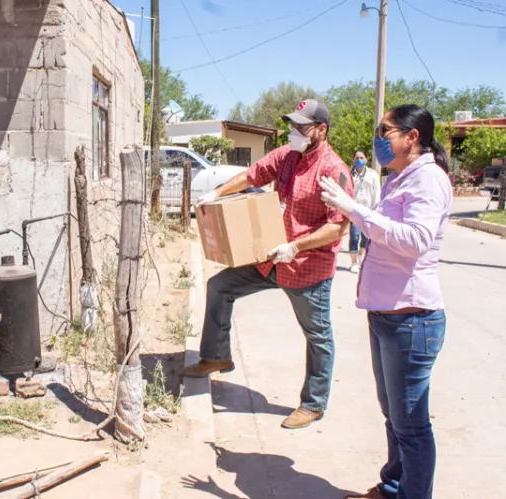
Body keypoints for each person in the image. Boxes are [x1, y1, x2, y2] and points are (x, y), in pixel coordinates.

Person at [182, 99, 354, 429]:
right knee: (220, 286)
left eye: (301, 127)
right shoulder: (288, 157)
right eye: (292, 125)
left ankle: (313, 403)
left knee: (317, 336)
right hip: (273, 258)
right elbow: (252, 174)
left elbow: (338, 226)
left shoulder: (334, 170)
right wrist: (216, 194)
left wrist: (296, 245)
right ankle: (216, 356)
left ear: (321, 130)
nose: (294, 132)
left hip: (307, 267)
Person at [319, 104, 452, 499]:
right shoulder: (399, 178)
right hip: (386, 317)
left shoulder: (428, 180)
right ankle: (393, 487)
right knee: (394, 419)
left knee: (411, 426)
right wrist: (350, 211)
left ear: (413, 137)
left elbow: (414, 240)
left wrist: (354, 209)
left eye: (387, 131)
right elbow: (384, 233)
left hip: (412, 321)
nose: (379, 140)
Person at [348, 150, 381, 273]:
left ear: (366, 159)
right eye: (356, 158)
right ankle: (353, 262)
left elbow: (377, 192)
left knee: (366, 237)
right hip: (354, 211)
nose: (359, 160)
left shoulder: (372, 174)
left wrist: (375, 209)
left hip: (368, 211)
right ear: (353, 160)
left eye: (361, 157)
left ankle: (361, 256)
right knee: (354, 236)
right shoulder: (350, 175)